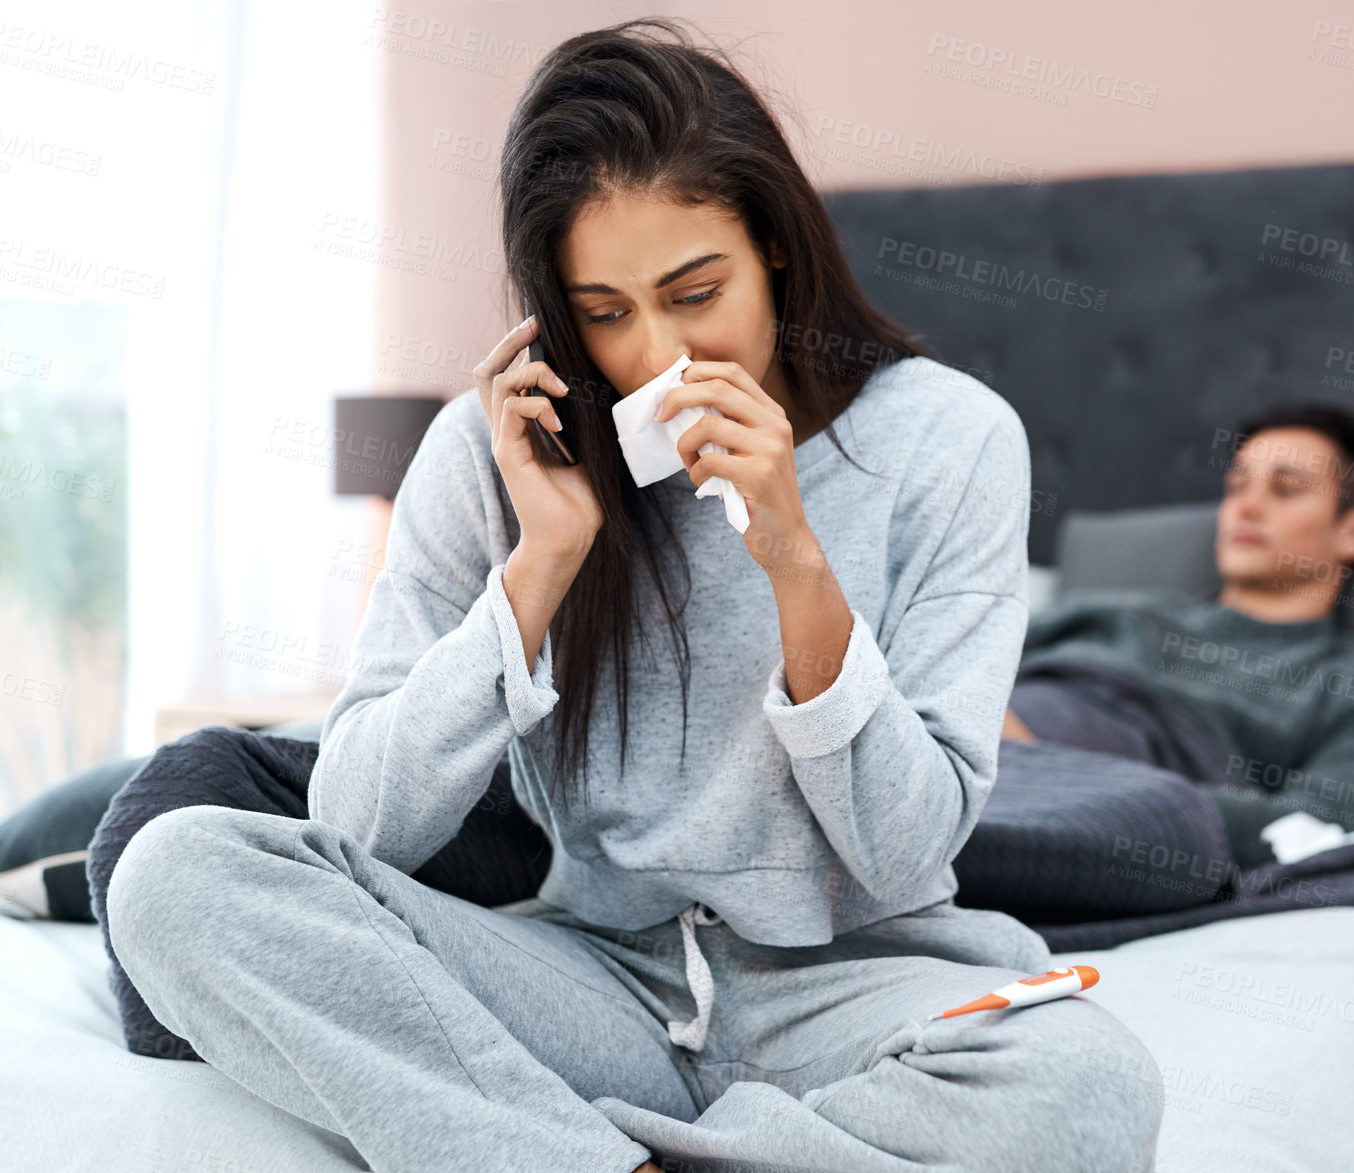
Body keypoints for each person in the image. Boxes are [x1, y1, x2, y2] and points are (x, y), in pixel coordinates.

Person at [96, 19, 1162, 1173]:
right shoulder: (491, 455)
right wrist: (539, 563)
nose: (655, 356)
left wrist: (795, 558)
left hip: (851, 988)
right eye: (604, 312)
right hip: (593, 977)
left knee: (1086, 1085)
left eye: (695, 291)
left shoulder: (952, 441)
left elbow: (907, 855)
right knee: (175, 868)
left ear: (777, 249)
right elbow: (361, 826)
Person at [999, 403, 1354, 869]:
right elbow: (965, 656)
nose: (1244, 507)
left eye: (1285, 489)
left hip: (1068, 791)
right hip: (983, 723)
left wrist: (1064, 777)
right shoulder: (1122, 610)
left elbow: (1312, 828)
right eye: (1237, 486)